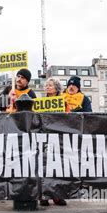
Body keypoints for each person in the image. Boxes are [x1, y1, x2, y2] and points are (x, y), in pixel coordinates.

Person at [40, 77, 67, 206]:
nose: (47, 87)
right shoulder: (40, 103)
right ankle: (43, 195)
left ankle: (56, 195)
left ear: (57, 88)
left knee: (57, 167)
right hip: (44, 138)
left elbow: (68, 118)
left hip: (58, 138)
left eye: (50, 85)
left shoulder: (63, 102)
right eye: (46, 85)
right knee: (44, 166)